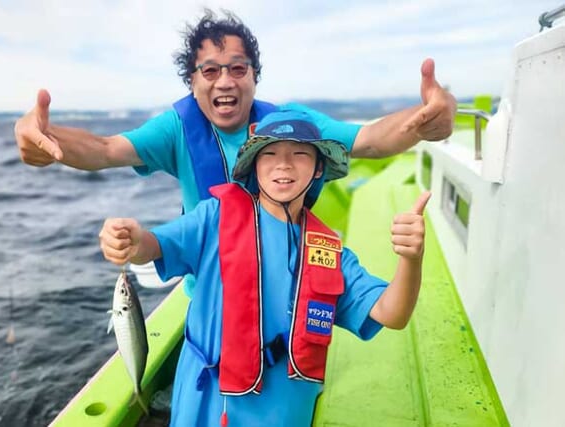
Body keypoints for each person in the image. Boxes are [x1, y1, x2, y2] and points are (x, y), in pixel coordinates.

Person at [99, 110, 430, 426]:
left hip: (284, 412)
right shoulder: (213, 217)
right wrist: (131, 239)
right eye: (269, 154)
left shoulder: (331, 253)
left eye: (300, 154)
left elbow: (392, 313)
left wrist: (411, 259)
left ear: (318, 168)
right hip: (204, 402)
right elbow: (153, 246)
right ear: (254, 166)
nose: (283, 164)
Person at [14, 9, 454, 215]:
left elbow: (372, 140)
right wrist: (47, 138)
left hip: (285, 285)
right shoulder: (176, 130)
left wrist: (425, 120)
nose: (224, 81)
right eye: (210, 70)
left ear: (254, 77)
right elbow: (106, 149)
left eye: (237, 68)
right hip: (211, 293)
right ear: (192, 80)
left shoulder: (292, 123)